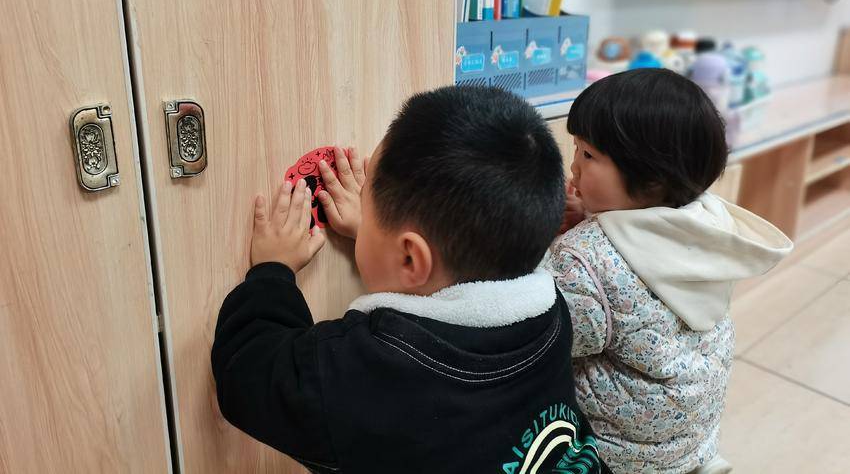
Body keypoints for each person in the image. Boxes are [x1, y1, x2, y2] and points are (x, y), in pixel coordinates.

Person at [212, 86, 609, 474]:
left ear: (410, 257)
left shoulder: (364, 376)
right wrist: (383, 240)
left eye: (366, 204)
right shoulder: (551, 314)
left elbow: (245, 371)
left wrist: (272, 270)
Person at [545, 69, 792, 473]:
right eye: (576, 148)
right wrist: (590, 214)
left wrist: (552, 244)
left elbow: (555, 339)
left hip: (618, 454)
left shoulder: (582, 257)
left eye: (588, 155)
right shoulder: (709, 221)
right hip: (690, 437)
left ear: (652, 180)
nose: (573, 167)